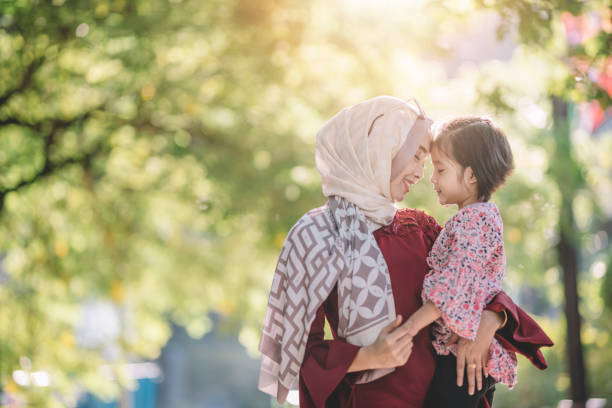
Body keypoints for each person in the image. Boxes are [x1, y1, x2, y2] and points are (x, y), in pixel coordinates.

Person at [258, 96, 553, 408]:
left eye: (429, 163)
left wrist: (489, 323)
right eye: (415, 156)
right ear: (380, 151)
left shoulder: (419, 229)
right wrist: (368, 356)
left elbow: (474, 282)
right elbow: (297, 352)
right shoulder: (317, 236)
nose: (421, 173)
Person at [401, 117, 519, 407]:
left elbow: (453, 288)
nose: (432, 178)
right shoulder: (479, 217)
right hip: (470, 354)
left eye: (440, 169)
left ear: (471, 176)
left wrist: (409, 328)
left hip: (462, 358)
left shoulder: (473, 221)